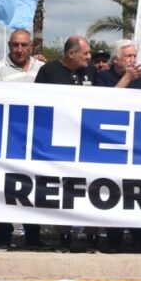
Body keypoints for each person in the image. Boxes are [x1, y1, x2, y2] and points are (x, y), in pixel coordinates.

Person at [93, 39, 141, 252]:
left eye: (135, 56)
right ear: (116, 58)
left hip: (139, 145)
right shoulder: (103, 77)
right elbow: (105, 103)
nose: (133, 60)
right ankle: (114, 240)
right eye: (128, 56)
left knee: (138, 192)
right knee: (114, 193)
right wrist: (127, 79)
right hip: (112, 144)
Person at [0, 29, 46, 250]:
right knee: (4, 188)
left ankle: (33, 236)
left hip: (36, 140)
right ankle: (3, 235)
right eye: (15, 45)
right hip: (7, 138)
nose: (19, 49)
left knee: (35, 189)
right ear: (9, 46)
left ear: (31, 46)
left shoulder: (43, 68)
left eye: (24, 45)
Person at [35, 35, 94, 250]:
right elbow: (35, 102)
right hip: (56, 141)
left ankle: (88, 235)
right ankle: (64, 235)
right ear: (71, 54)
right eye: (85, 53)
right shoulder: (48, 71)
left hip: (86, 142)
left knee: (86, 188)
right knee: (61, 189)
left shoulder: (90, 71)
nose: (89, 57)